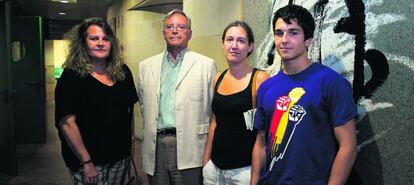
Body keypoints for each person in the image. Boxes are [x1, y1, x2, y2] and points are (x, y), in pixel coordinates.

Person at [251, 5, 358, 185]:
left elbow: (348, 146)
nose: (284, 40)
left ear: (308, 40)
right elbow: (261, 142)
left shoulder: (331, 82)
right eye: (279, 33)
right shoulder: (266, 87)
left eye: (293, 32)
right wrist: (254, 181)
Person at [137, 9, 217, 185]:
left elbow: (213, 111)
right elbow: (144, 105)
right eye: (169, 27)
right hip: (156, 147)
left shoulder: (206, 65)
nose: (175, 31)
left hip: (191, 147)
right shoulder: (146, 66)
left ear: (189, 34)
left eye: (181, 27)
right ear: (163, 33)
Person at [55, 17, 138, 185]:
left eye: (105, 39)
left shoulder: (122, 72)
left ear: (111, 43)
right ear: (83, 43)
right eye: (94, 38)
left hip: (120, 157)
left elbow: (129, 112)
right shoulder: (72, 76)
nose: (100, 43)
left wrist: (131, 146)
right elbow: (67, 123)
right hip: (88, 160)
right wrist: (86, 162)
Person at [202, 21, 269, 184]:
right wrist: (206, 161)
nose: (234, 45)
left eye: (241, 40)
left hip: (244, 172)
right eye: (229, 39)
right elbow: (215, 122)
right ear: (223, 44)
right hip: (214, 169)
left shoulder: (260, 79)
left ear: (250, 46)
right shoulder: (218, 77)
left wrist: (255, 176)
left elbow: (264, 134)